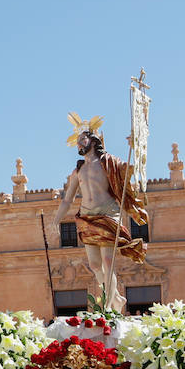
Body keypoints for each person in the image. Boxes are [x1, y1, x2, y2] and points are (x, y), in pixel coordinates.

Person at [49, 128, 148, 312]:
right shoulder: (78, 171)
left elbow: (127, 172)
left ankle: (108, 307)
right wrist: (56, 221)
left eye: (82, 140)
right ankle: (115, 296)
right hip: (87, 218)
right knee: (95, 265)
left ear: (93, 141)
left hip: (108, 214)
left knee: (108, 263)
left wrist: (133, 147)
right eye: (77, 141)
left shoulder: (108, 163)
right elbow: (67, 199)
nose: (78, 144)